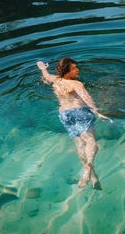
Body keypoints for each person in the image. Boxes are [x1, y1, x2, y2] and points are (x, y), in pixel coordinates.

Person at [37, 57, 112, 188]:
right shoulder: (76, 84)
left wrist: (43, 68)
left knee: (79, 144)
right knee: (91, 143)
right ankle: (88, 166)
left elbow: (46, 76)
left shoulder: (56, 81)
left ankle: (92, 175)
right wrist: (98, 112)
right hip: (79, 113)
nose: (77, 70)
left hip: (64, 115)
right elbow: (87, 99)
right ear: (67, 72)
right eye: (74, 68)